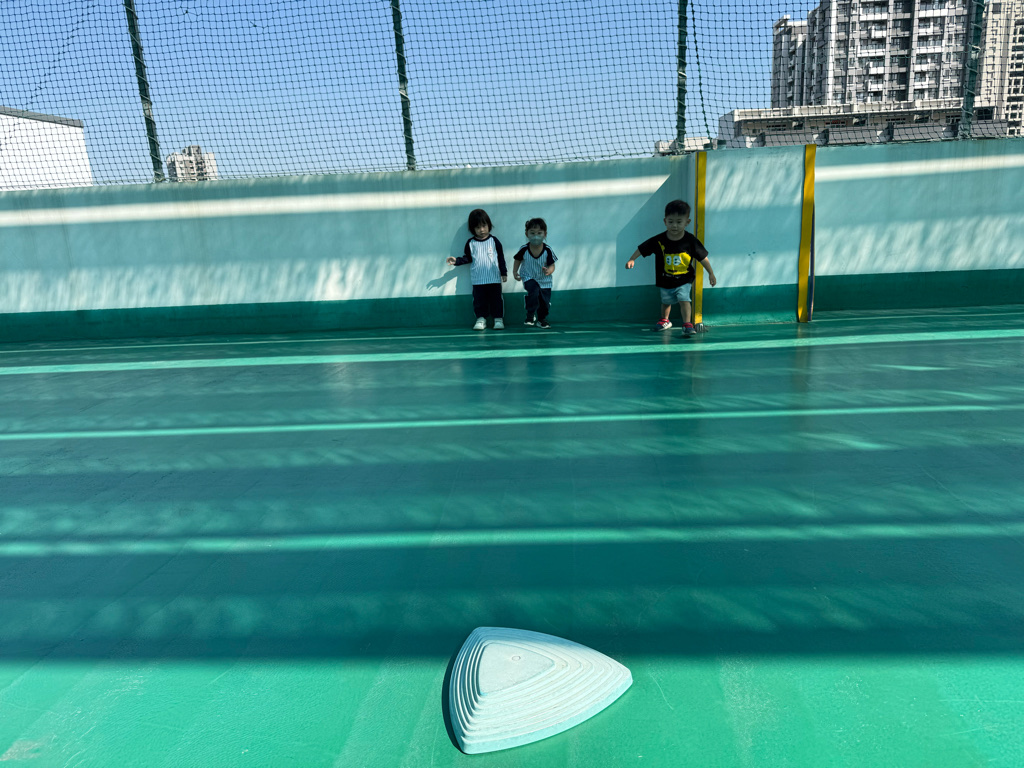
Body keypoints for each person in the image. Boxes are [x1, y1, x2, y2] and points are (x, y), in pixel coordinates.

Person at [625, 199, 717, 338]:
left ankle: (687, 324)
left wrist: (711, 273)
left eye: (679, 222)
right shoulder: (659, 240)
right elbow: (642, 248)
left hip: (684, 279)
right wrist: (632, 259)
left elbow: (703, 257)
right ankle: (665, 320)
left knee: (684, 299)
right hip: (665, 279)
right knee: (666, 301)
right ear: (665, 221)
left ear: (687, 222)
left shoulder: (690, 241)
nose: (674, 225)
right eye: (671, 221)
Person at [447, 209, 508, 330]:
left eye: (484, 226)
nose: (481, 230)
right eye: (478, 227)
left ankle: (498, 319)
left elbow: (500, 257)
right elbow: (468, 258)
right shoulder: (471, 243)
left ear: (489, 225)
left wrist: (503, 272)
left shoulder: (494, 241)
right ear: (472, 229)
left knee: (496, 300)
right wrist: (457, 261)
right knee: (479, 301)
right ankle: (481, 319)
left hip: (494, 278)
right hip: (478, 279)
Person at [512, 218, 557, 329]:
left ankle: (542, 319)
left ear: (545, 234)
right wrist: (515, 271)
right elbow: (517, 260)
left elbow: (552, 265)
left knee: (544, 302)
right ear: (526, 234)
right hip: (528, 276)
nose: (536, 236)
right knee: (534, 291)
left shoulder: (548, 250)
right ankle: (530, 315)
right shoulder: (524, 249)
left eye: (539, 233)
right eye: (532, 233)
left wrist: (549, 270)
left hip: (544, 280)